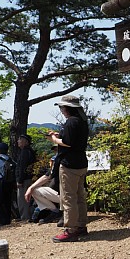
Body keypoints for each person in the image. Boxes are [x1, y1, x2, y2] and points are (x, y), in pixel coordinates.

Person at [47, 95, 88, 242]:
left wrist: (53, 139)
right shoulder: (82, 121)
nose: (61, 110)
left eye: (62, 107)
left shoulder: (71, 122)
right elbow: (74, 140)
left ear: (67, 108)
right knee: (79, 196)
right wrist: (60, 136)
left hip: (69, 164)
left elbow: (67, 143)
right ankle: (81, 226)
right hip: (81, 162)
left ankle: (71, 229)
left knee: (69, 198)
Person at [25, 154, 61, 223]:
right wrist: (30, 188)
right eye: (51, 161)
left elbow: (46, 177)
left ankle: (59, 212)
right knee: (34, 190)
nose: (51, 163)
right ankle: (56, 212)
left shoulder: (62, 169)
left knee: (35, 190)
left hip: (68, 196)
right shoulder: (53, 171)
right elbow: (45, 177)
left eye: (53, 161)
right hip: (58, 196)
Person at [15, 134, 37, 221]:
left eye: (20, 139)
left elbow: (22, 167)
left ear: (25, 142)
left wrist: (20, 180)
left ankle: (25, 217)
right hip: (29, 178)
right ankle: (28, 216)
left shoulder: (24, 152)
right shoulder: (30, 151)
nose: (18, 141)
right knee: (28, 198)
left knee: (23, 199)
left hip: (25, 179)